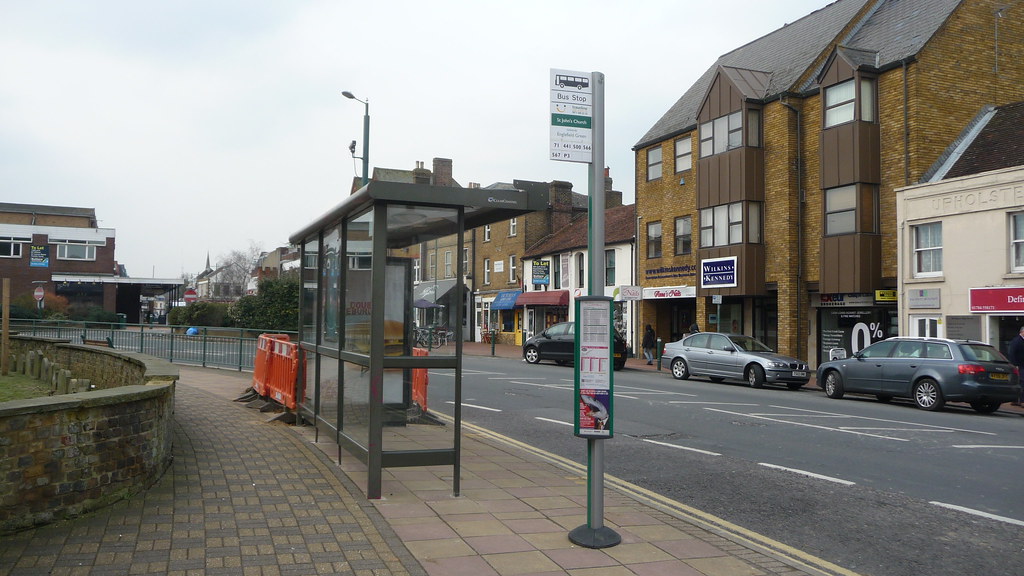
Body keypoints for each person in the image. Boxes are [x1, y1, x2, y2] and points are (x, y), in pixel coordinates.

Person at [1007, 326, 1024, 406]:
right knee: (1021, 382)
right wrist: (1014, 364)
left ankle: (1016, 400)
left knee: (1020, 382)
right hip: (1019, 365)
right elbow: (1012, 353)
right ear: (1022, 332)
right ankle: (1021, 401)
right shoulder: (1017, 341)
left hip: (1021, 365)